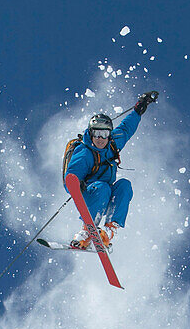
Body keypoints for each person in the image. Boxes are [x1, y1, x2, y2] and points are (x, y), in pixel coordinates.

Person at [65, 91, 158, 249]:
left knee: (124, 185)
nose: (100, 139)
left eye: (104, 134)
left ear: (109, 134)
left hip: (107, 193)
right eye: (96, 134)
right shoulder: (85, 152)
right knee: (102, 187)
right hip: (91, 193)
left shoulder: (113, 143)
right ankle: (87, 232)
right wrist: (77, 184)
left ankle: (108, 231)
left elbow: (126, 128)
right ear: (91, 133)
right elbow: (70, 179)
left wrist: (139, 109)